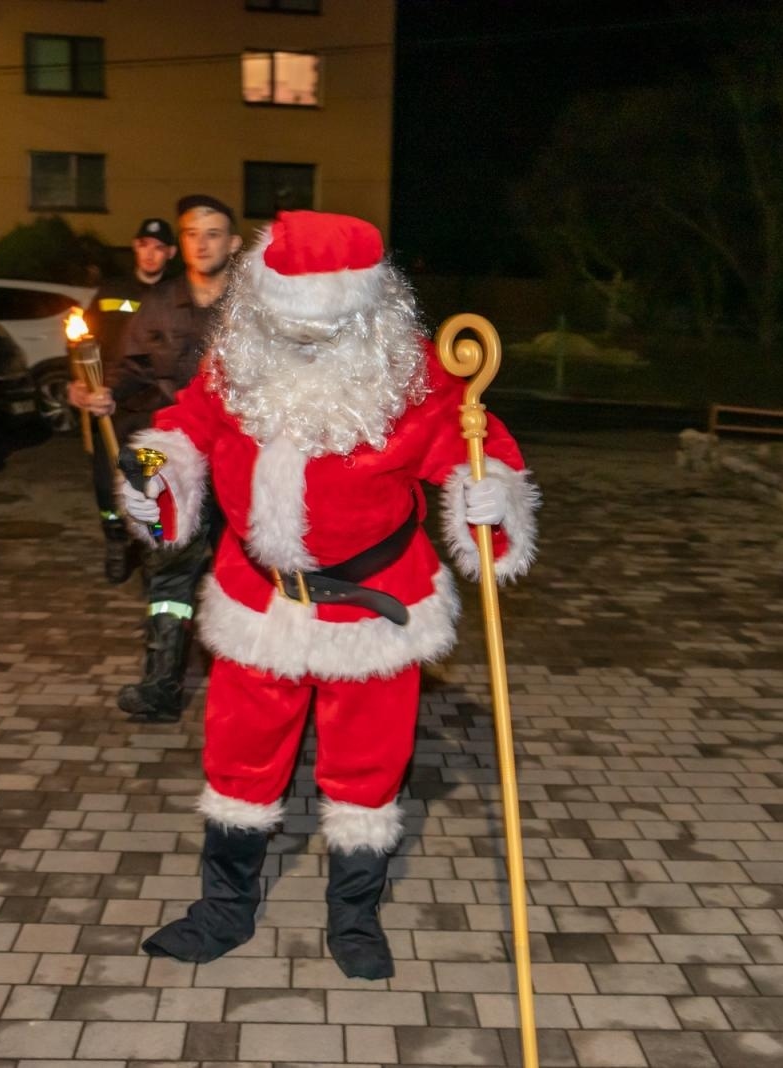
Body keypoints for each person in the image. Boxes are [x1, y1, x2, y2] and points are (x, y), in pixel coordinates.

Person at [118, 210, 539, 979]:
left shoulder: (417, 380)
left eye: (324, 330)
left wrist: (490, 497)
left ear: (370, 311)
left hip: (374, 610)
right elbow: (184, 428)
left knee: (368, 775)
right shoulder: (236, 364)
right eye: (289, 326)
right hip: (259, 603)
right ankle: (223, 910)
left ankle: (355, 919)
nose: (304, 344)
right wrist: (159, 475)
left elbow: (478, 452)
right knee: (238, 766)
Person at [70, 194, 243, 722]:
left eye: (213, 233)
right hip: (167, 451)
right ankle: (161, 684)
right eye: (192, 232)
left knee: (241, 568)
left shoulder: (253, 304)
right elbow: (131, 371)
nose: (202, 242)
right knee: (167, 568)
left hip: (238, 453)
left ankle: (242, 682)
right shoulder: (159, 304)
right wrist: (103, 394)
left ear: (233, 244)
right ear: (180, 243)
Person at [81, 216, 176, 584]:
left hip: (154, 408)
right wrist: (80, 385)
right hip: (110, 407)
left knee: (150, 481)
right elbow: (84, 342)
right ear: (135, 247)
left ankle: (153, 548)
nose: (150, 254)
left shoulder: (173, 296)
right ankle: (116, 542)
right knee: (108, 484)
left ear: (168, 253)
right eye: (143, 245)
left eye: (158, 247)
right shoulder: (108, 293)